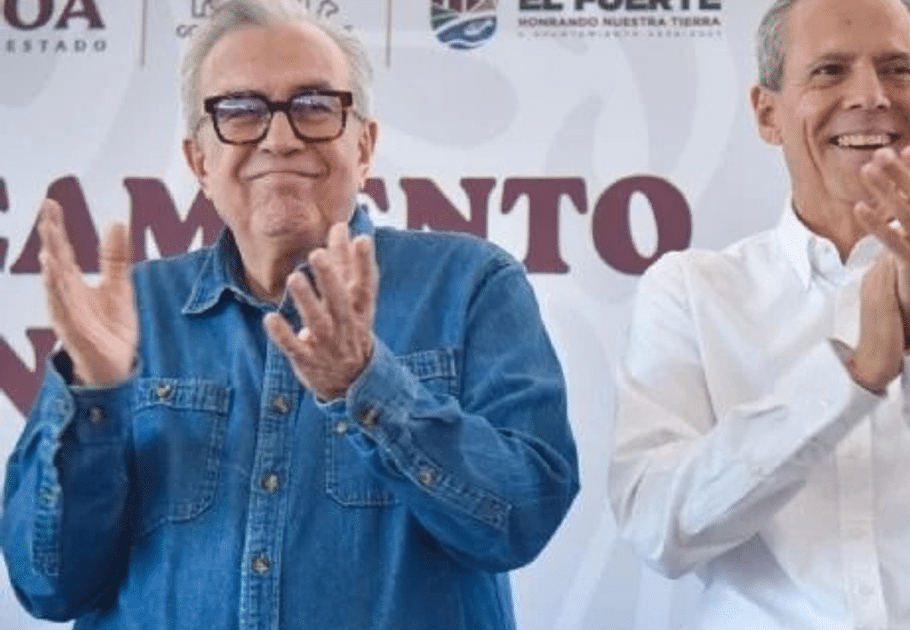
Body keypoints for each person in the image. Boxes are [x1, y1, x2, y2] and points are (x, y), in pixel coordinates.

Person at [2, 1, 579, 628]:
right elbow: (47, 584)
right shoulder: (133, 314)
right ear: (200, 161)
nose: (280, 137)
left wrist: (368, 387)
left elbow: (521, 520)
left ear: (363, 144)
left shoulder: (470, 284)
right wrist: (94, 397)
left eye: (313, 106)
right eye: (241, 112)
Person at [608, 0, 910, 628]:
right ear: (767, 112)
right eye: (829, 70)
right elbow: (657, 529)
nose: (871, 96)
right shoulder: (692, 291)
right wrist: (848, 382)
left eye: (897, 70)